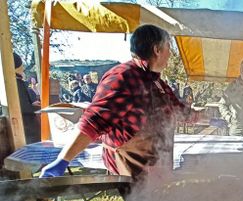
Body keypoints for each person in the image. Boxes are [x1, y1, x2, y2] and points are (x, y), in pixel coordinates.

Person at [40, 24, 200, 179]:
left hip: (159, 165)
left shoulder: (157, 82)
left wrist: (208, 118)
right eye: (168, 48)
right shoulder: (122, 78)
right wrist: (63, 160)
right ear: (157, 50)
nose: (170, 54)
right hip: (130, 168)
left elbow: (179, 111)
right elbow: (93, 122)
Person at [13, 52, 40, 144]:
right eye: (21, 65)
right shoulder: (16, 83)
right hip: (27, 127)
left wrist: (32, 104)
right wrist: (36, 107)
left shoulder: (18, 82)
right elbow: (22, 107)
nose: (23, 68)